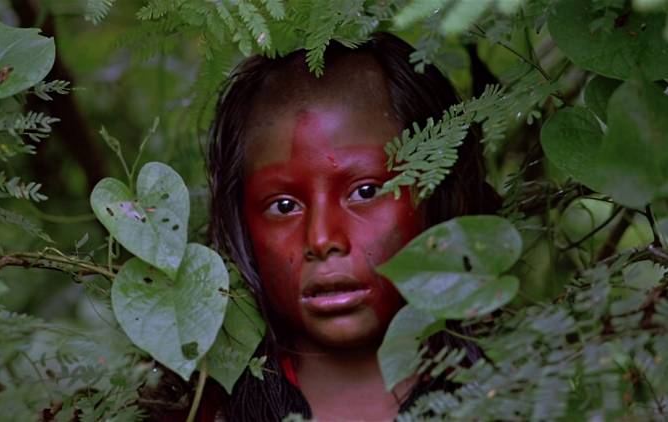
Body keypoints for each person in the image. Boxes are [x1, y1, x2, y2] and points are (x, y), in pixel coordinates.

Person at [205, 32, 499, 421]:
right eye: (284, 205)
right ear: (241, 223)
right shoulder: (199, 408)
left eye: (364, 191)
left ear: (441, 192)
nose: (322, 239)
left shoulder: (539, 381)